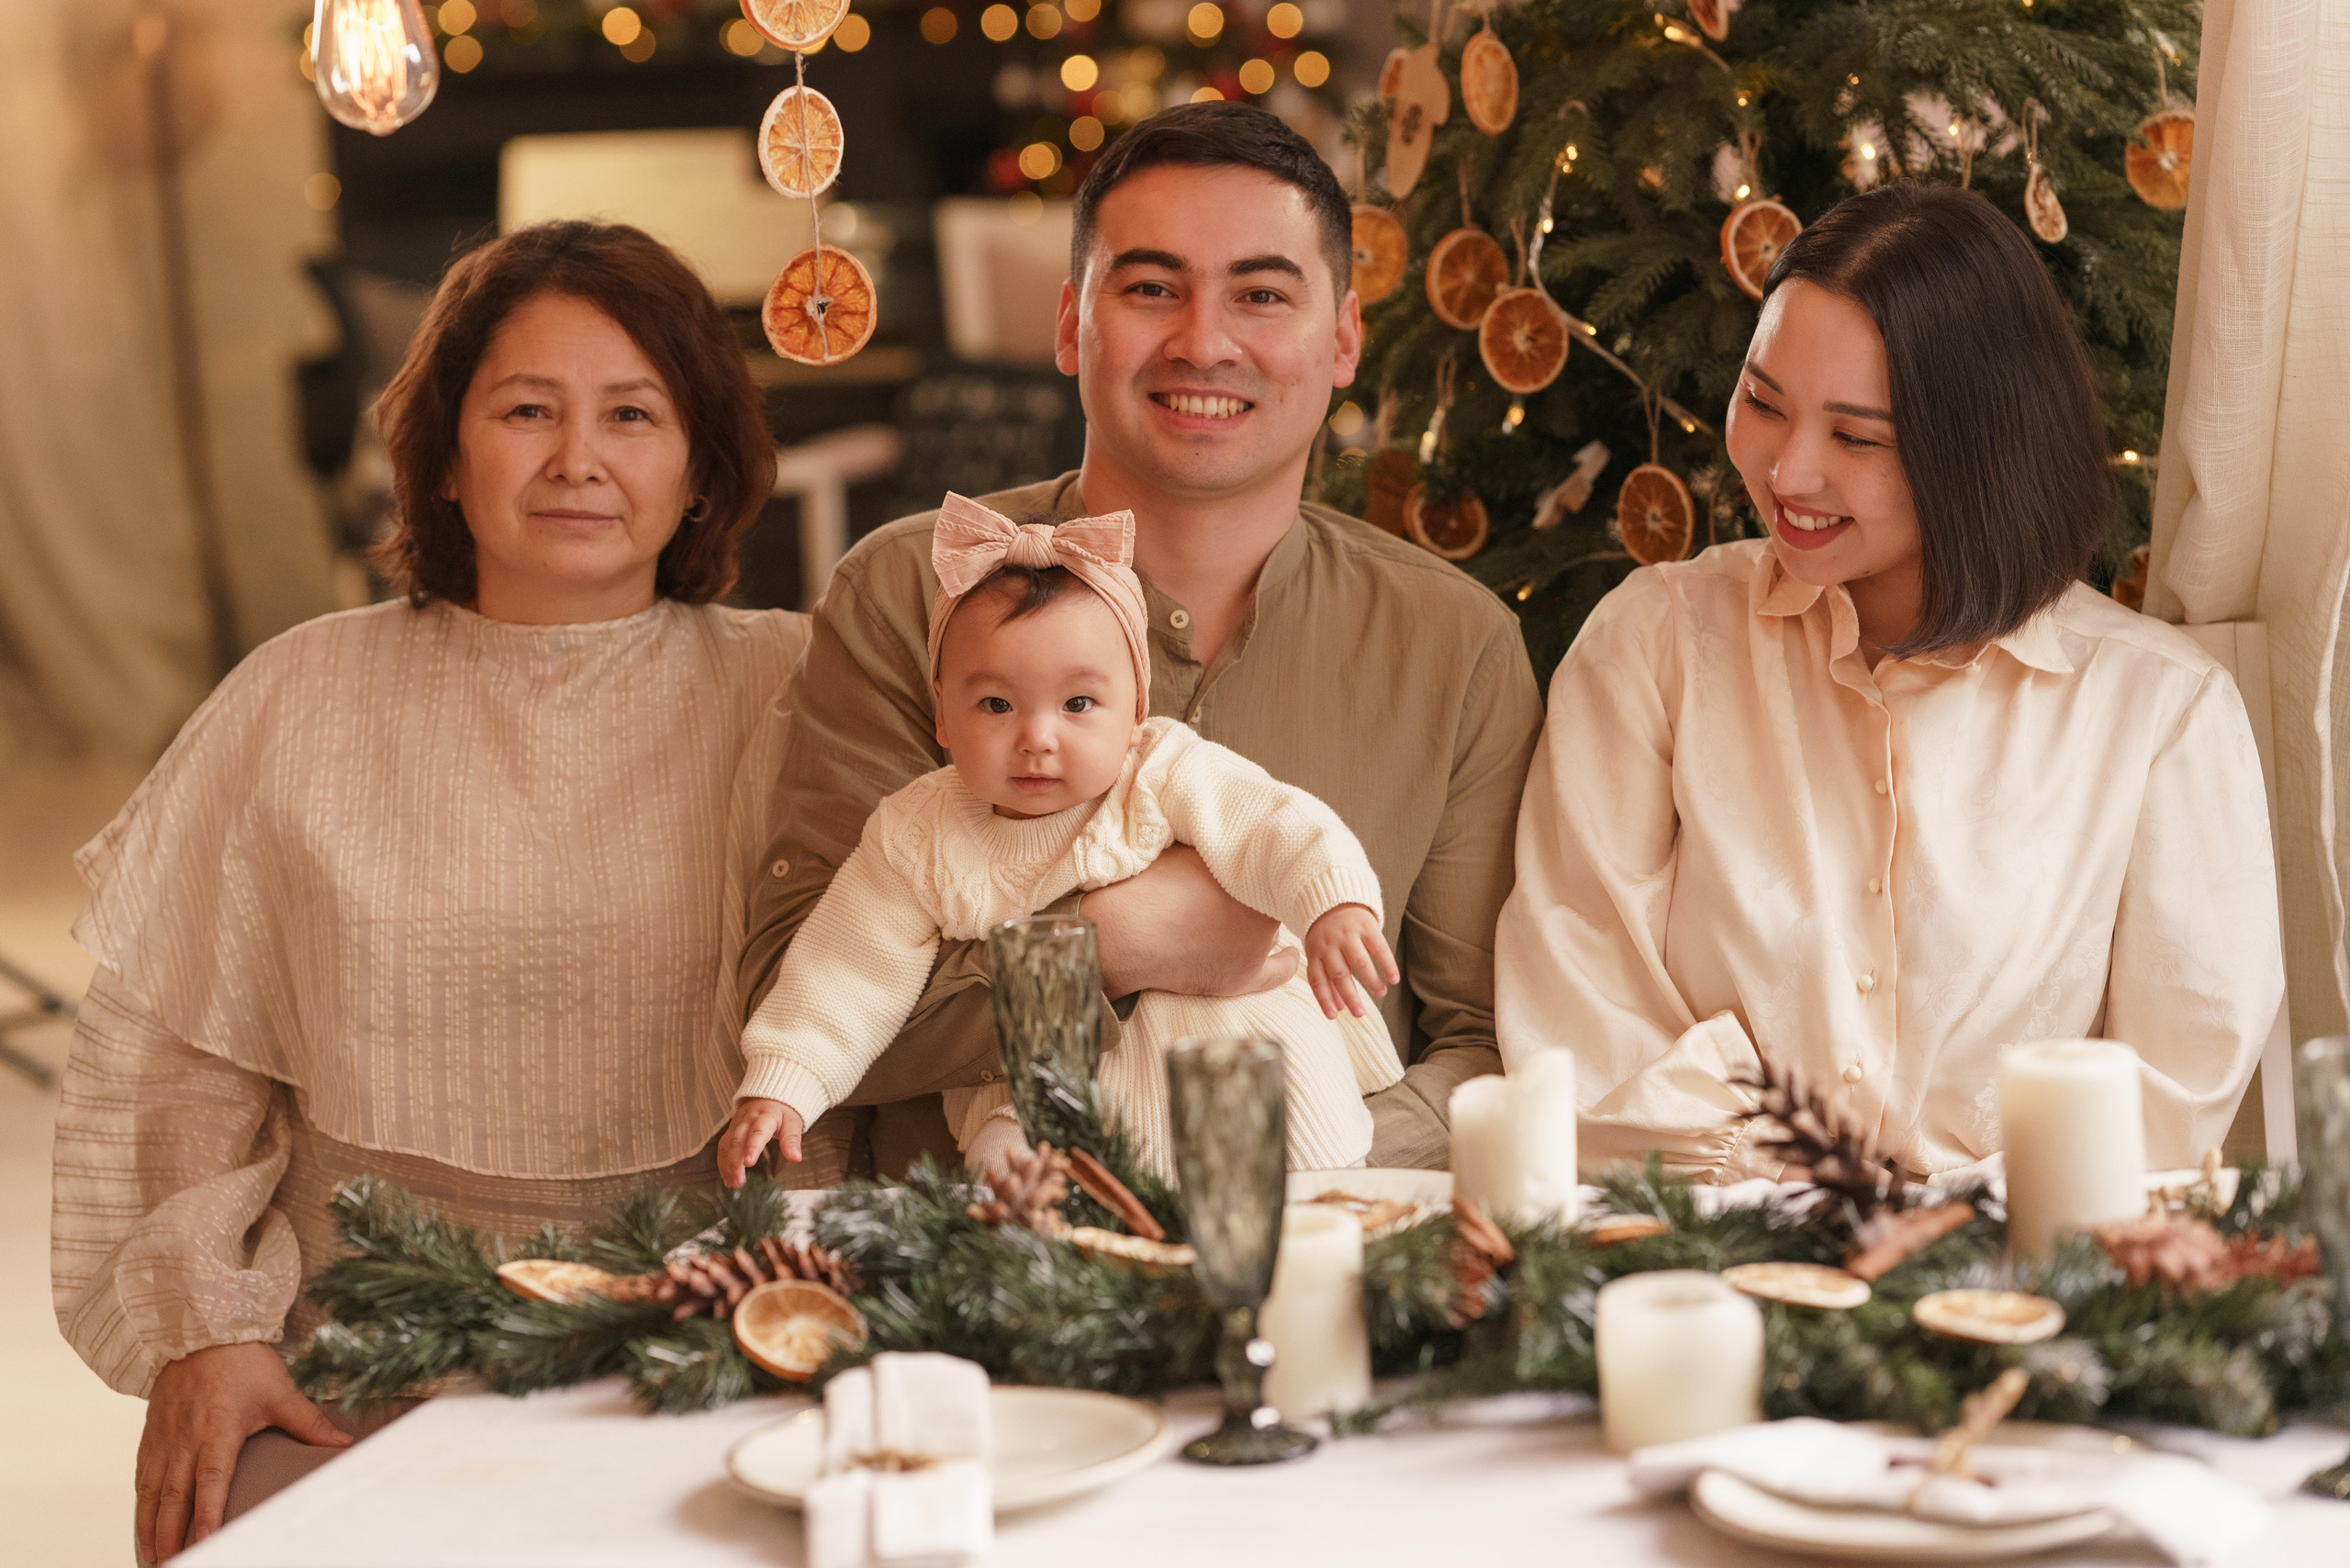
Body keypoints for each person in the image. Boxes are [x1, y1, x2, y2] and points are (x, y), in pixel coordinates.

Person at [49, 222, 809, 1561]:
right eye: (527, 410)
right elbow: (175, 1069)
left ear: (701, 469)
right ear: (449, 459)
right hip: (355, 1354)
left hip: (721, 1345)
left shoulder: (797, 692)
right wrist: (207, 1337)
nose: (577, 459)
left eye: (632, 414)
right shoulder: (301, 695)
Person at [736, 102, 1542, 1181]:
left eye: (1260, 294)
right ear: (1072, 324)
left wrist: (1285, 1181)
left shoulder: (1455, 643)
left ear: (1343, 337)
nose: (1203, 341)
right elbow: (805, 987)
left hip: (1324, 1260)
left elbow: (1485, 1046)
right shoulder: (906, 589)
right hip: (972, 1269)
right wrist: (1110, 945)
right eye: (1152, 288)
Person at [1495, 182, 2284, 1182]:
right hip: (1704, 1263)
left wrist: (1940, 1241)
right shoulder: (1654, 643)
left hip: (2021, 1298)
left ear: (1980, 450)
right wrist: (1794, 1199)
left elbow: (2168, 1112)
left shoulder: (2160, 713)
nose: (1787, 473)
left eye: (1857, 438)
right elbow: (1577, 1012)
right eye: (1762, 401)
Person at [721, 497, 1404, 1185]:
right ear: (943, 716)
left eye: (1078, 705)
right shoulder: (920, 832)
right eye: (995, 705)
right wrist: (787, 1081)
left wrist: (1331, 904)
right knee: (1017, 1179)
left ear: (1136, 707)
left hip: (1229, 1059)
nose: (1036, 738)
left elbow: (1274, 826)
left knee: (1297, 1194)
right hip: (1050, 1098)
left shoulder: (1162, 769)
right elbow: (847, 967)